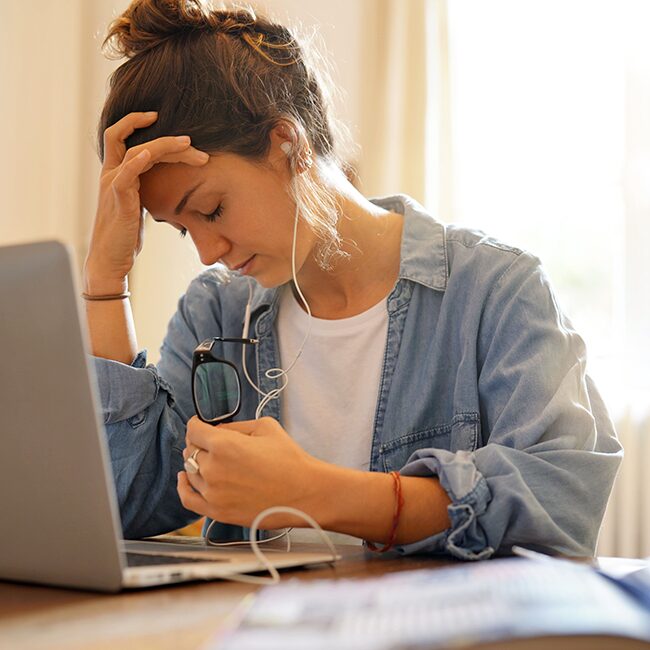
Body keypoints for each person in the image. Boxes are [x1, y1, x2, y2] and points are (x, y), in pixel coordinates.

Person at [85, 0, 622, 560]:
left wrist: (314, 491)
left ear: (288, 146)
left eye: (212, 210)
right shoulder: (217, 310)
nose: (206, 253)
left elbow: (561, 502)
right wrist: (104, 277)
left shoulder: (494, 290)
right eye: (179, 230)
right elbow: (126, 502)